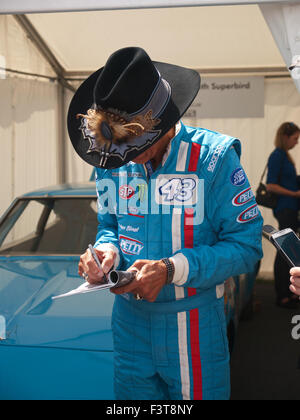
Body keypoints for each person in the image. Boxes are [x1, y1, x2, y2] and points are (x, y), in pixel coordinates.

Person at [67, 47, 263, 400]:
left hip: (194, 326)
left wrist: (171, 269)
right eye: (120, 149)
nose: (126, 159)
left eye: (135, 147)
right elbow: (110, 224)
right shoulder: (112, 156)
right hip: (129, 326)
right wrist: (103, 253)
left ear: (162, 123)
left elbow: (246, 246)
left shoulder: (214, 158)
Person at [266, 122, 300, 308]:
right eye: (295, 139)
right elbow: (271, 185)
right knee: (285, 253)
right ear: (285, 137)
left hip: (290, 210)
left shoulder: (284, 156)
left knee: (290, 252)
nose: (296, 143)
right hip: (285, 209)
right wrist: (294, 193)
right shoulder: (277, 156)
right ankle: (282, 294)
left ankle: (289, 292)